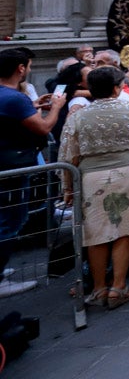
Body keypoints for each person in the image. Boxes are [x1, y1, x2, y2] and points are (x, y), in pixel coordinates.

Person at [58, 66, 129, 309]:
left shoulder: (79, 116)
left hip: (91, 176)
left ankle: (99, 288)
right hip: (128, 170)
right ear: (116, 87)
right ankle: (118, 286)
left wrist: (68, 187)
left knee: (95, 231)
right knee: (125, 228)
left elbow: (70, 154)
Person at [0, 47, 64, 298]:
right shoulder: (14, 97)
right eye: (28, 65)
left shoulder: (10, 97)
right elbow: (43, 127)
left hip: (8, 163)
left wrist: (34, 105)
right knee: (10, 220)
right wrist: (56, 107)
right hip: (13, 166)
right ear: (20, 68)